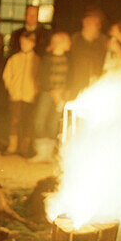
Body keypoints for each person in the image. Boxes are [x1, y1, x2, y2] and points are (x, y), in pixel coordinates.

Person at [32, 31, 71, 163]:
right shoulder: (47, 59)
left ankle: (48, 154)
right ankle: (41, 152)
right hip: (47, 94)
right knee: (40, 120)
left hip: (61, 95)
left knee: (54, 123)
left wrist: (62, 94)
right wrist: (52, 91)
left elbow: (69, 78)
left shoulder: (68, 59)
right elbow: (43, 76)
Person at [2, 29, 41, 156]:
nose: (24, 46)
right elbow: (7, 75)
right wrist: (11, 88)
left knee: (27, 121)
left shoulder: (36, 60)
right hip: (16, 95)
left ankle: (24, 148)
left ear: (33, 44)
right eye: (23, 43)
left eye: (27, 43)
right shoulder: (14, 59)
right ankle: (12, 146)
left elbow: (39, 78)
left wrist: (36, 90)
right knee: (14, 120)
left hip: (30, 96)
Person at [68, 7, 106, 96]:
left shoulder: (103, 42)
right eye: (95, 22)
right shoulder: (74, 40)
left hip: (96, 86)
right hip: (75, 86)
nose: (98, 26)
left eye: (98, 23)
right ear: (85, 22)